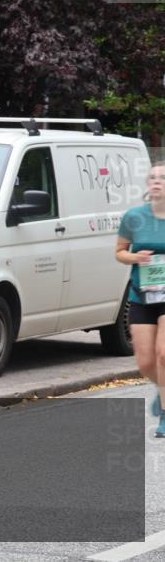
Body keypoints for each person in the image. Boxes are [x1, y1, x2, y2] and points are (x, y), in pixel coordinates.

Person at [116, 160, 165, 438]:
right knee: (145, 362)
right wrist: (136, 257)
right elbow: (119, 252)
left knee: (164, 354)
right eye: (153, 178)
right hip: (142, 294)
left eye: (163, 178)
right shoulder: (134, 217)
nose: (156, 182)